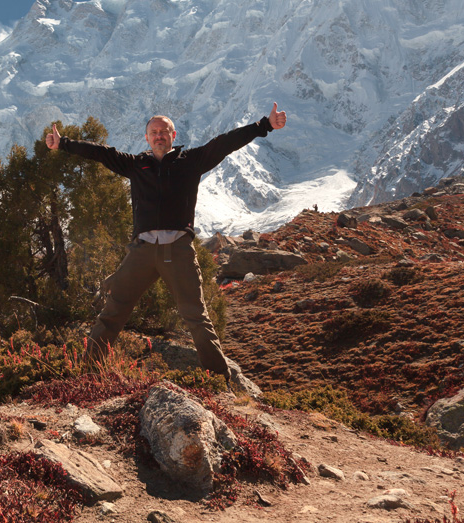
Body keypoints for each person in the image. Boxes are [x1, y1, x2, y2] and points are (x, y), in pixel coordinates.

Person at [45, 104, 288, 379]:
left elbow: (225, 143)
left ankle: (220, 382)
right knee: (113, 312)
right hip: (142, 252)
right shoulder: (136, 165)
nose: (159, 136)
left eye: (164, 131)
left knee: (195, 317)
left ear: (173, 135)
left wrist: (264, 125)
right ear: (147, 138)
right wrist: (63, 143)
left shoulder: (192, 160)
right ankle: (87, 375)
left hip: (178, 250)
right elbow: (100, 152)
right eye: (154, 132)